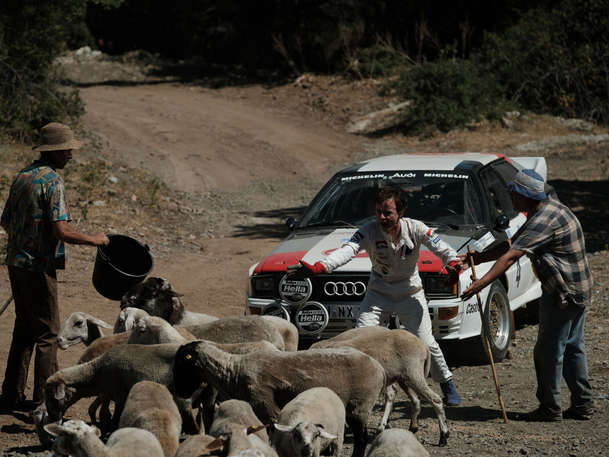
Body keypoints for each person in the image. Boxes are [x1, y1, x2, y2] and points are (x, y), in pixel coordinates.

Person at [289, 186, 463, 405]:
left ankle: (447, 384)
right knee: (361, 339)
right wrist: (321, 267)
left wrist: (454, 264)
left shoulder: (416, 228)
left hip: (410, 294)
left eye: (388, 212)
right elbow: (348, 250)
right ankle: (359, 388)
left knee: (426, 342)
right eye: (378, 212)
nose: (382, 217)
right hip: (378, 294)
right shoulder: (369, 230)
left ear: (401, 212)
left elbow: (444, 249)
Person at [461, 169, 594, 421]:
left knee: (548, 351)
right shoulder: (544, 210)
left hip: (565, 293)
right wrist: (474, 259)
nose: (510, 197)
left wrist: (481, 284)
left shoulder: (543, 219)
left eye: (514, 193)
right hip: (575, 287)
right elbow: (511, 245)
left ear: (525, 195)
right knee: (573, 346)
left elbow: (511, 256)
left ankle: (550, 408)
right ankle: (583, 404)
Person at [0, 122, 110, 413]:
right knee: (48, 334)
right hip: (38, 267)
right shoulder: (53, 182)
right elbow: (62, 231)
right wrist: (95, 239)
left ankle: (10, 397)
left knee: (24, 329)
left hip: (16, 262)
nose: (71, 155)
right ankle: (45, 402)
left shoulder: (22, 176)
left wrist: (23, 242)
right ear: (57, 151)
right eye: (68, 150)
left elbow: (5, 221)